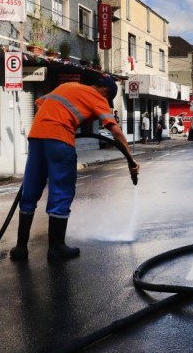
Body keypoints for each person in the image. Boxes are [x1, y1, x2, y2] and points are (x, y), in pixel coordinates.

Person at [9, 76, 140, 262]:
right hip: (59, 140)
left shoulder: (67, 85)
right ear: (104, 92)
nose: (105, 103)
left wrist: (63, 117)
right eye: (107, 99)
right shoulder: (96, 97)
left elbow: (41, 104)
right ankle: (56, 248)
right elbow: (115, 130)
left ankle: (21, 248)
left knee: (30, 190)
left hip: (37, 137)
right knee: (61, 189)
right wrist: (131, 160)